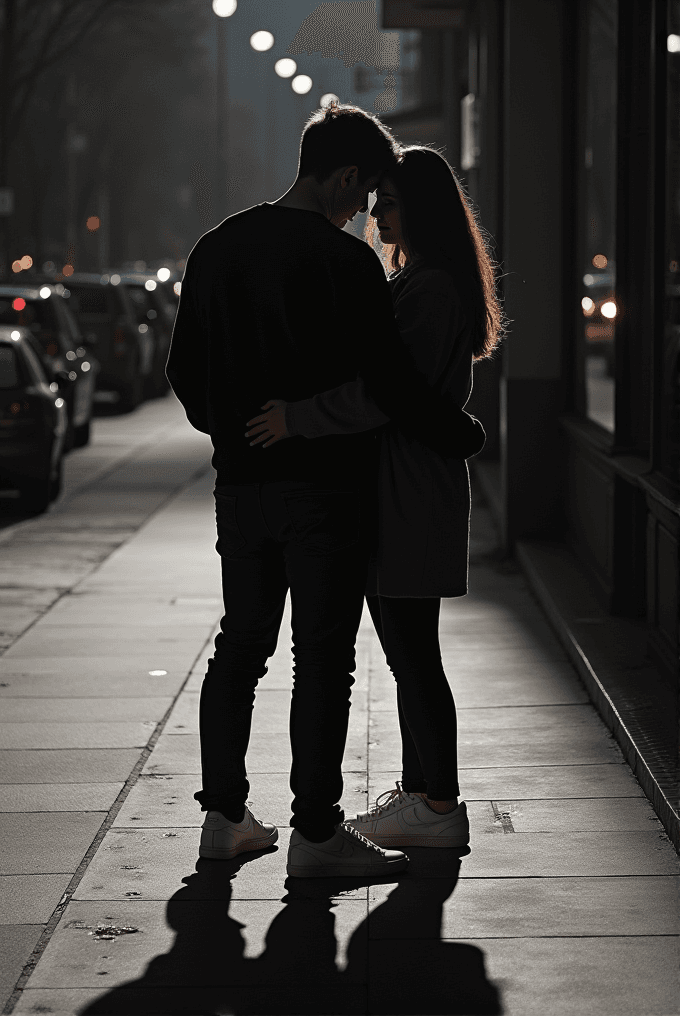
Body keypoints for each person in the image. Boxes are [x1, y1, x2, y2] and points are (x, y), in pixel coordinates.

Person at [166, 108, 485, 879]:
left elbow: (183, 371)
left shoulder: (216, 247)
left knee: (239, 648)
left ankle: (225, 816)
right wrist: (458, 430)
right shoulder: (349, 267)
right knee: (322, 663)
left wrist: (232, 432)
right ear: (344, 178)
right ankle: (315, 833)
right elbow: (389, 382)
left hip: (241, 488)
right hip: (329, 495)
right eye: (365, 191)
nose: (366, 210)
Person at [245, 146, 505, 851]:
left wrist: (298, 416)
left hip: (410, 486)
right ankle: (423, 796)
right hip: (405, 482)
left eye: (387, 202)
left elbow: (385, 394)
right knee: (408, 649)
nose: (375, 212)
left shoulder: (431, 289)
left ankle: (439, 803)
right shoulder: (423, 279)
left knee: (413, 651)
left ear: (417, 208)